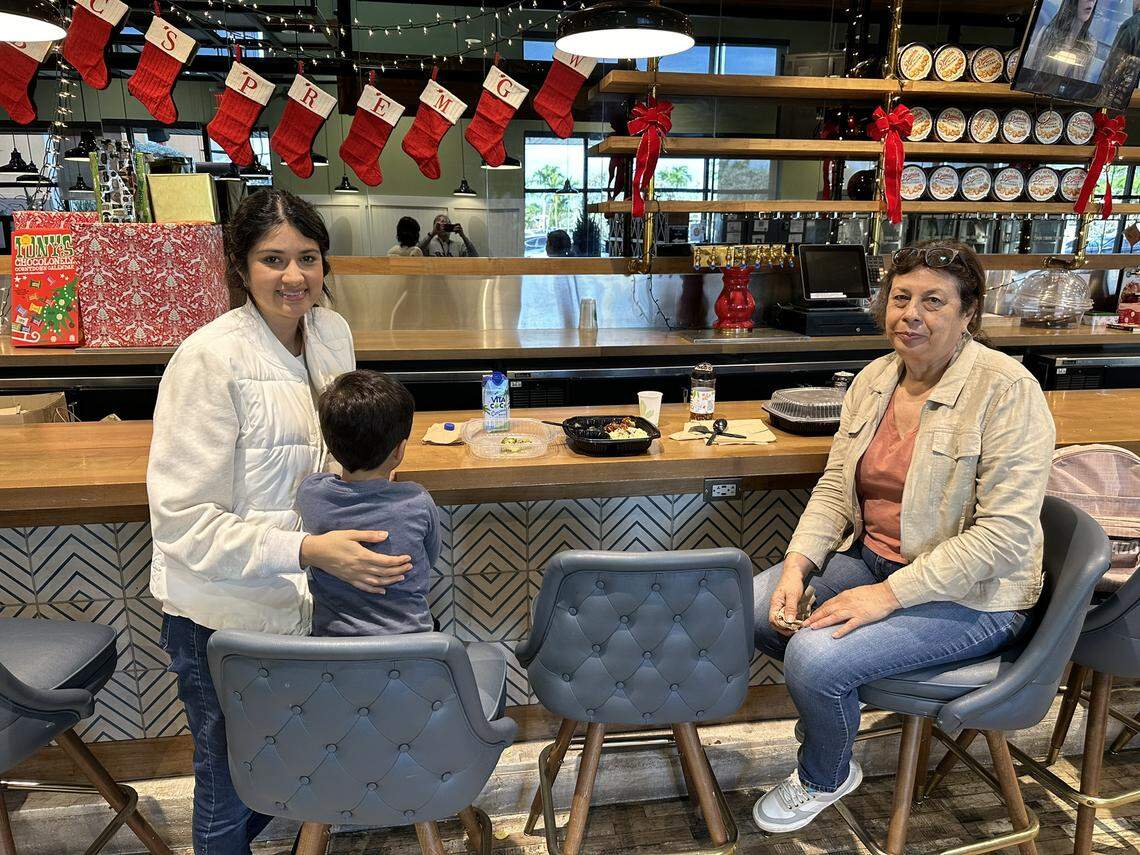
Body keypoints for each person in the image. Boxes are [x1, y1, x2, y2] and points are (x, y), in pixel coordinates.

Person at [750, 239, 1055, 834]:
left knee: (814, 659)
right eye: (901, 297)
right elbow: (837, 488)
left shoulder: (1007, 391)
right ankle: (833, 708)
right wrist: (796, 566)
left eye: (934, 302)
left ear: (969, 314)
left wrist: (885, 598)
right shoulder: (875, 379)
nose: (911, 314)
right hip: (873, 561)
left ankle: (825, 770)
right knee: (754, 610)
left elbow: (1005, 536)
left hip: (978, 597)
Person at [147, 189, 412, 855]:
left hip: (299, 606)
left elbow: (335, 452)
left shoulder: (332, 333)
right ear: (240, 266)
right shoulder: (208, 359)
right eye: (273, 259)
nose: (294, 276)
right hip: (219, 614)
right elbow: (182, 523)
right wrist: (307, 549)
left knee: (289, 764)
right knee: (227, 778)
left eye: (308, 258)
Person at [298, 370, 438, 637]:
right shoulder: (417, 501)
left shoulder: (311, 494)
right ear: (399, 451)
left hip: (333, 656)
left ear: (330, 444)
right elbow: (430, 557)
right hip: (413, 652)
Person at [1023, 0, 1099, 81]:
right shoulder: (1047, 34)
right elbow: (1028, 73)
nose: (1091, 1)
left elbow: (1083, 84)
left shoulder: (1090, 45)